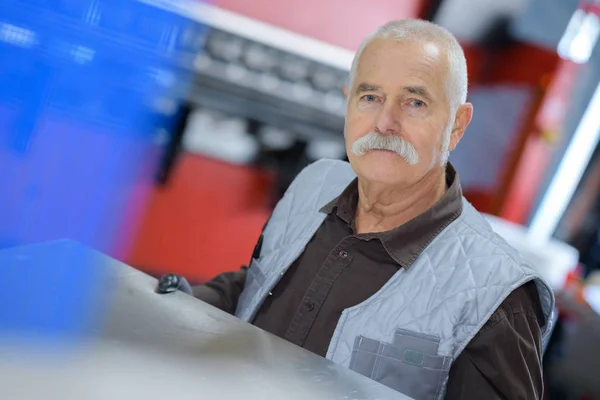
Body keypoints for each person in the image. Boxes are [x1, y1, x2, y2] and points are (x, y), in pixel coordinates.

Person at [157, 19, 554, 399]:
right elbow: (259, 288)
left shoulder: (496, 297)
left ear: (457, 124)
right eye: (370, 97)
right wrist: (183, 302)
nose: (385, 122)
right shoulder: (314, 185)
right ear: (349, 104)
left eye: (415, 102)